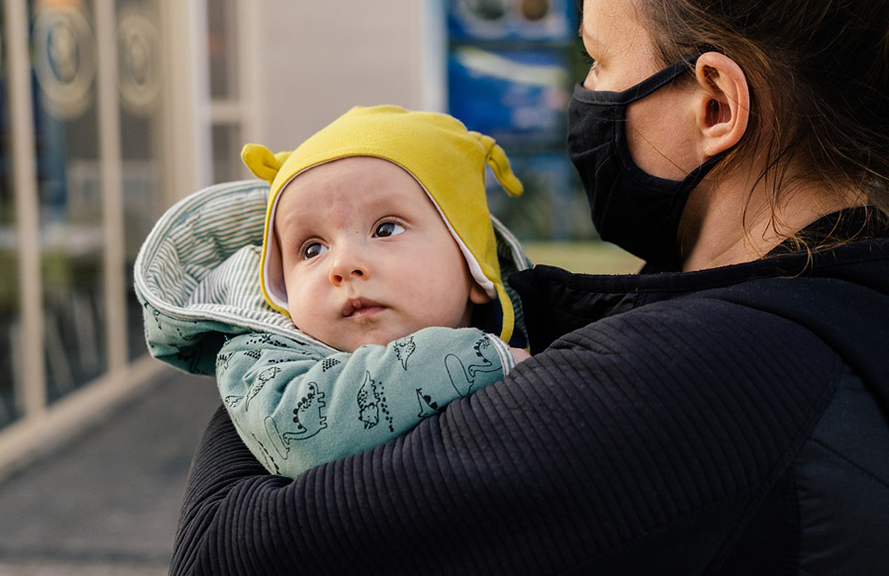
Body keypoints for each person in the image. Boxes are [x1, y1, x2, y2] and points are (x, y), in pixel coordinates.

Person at [166, 0, 889, 574]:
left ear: (713, 107)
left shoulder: (704, 374)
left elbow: (222, 553)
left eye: (598, 61)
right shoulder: (822, 299)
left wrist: (266, 335)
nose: (585, 94)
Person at [135, 105, 530, 478]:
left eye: (386, 229)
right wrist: (478, 358)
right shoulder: (261, 360)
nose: (342, 266)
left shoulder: (547, 328)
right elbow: (297, 431)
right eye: (312, 249)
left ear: (473, 267)